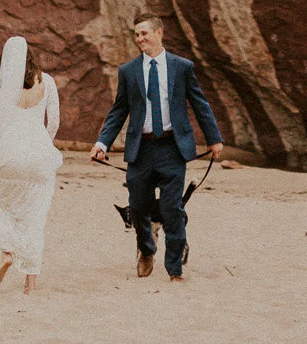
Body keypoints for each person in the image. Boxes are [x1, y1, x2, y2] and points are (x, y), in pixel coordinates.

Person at [89, 14, 224, 281]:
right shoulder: (128, 71)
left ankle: (175, 269)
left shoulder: (181, 67)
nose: (139, 39)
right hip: (141, 149)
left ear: (159, 32)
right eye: (136, 34)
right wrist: (102, 142)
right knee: (138, 207)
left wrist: (214, 138)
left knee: (173, 209)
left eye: (144, 33)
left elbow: (199, 103)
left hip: (172, 147)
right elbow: (119, 110)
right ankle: (147, 250)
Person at [0, 35, 63, 294]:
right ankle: (30, 283)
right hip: (38, 153)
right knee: (35, 216)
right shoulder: (46, 81)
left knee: (3, 206)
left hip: (9, 153)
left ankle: (7, 254)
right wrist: (44, 145)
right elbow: (54, 121)